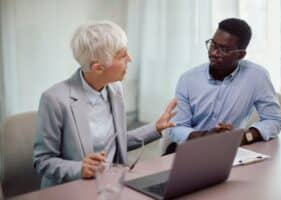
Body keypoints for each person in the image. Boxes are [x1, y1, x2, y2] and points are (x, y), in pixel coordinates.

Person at [33, 20, 177, 188]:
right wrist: (79, 168)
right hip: (73, 189)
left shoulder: (115, 89)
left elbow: (117, 141)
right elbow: (43, 160)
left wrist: (156, 127)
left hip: (111, 185)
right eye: (122, 55)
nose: (129, 59)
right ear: (98, 68)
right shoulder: (54, 99)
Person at [167, 18, 281, 154]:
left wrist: (244, 137)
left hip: (228, 151)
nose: (214, 53)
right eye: (213, 45)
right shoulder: (188, 79)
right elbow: (176, 127)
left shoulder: (257, 76)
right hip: (187, 149)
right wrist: (206, 137)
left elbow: (274, 119)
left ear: (241, 55)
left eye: (223, 49)